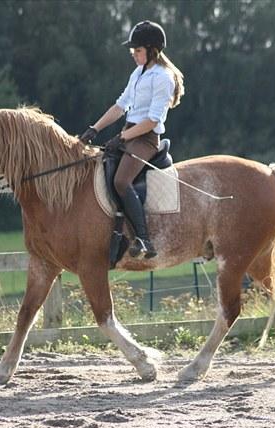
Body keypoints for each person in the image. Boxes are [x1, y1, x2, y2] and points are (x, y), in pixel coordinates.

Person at [79, 20, 185, 259]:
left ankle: (144, 239)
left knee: (121, 181)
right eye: (133, 50)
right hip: (129, 134)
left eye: (137, 50)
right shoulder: (139, 72)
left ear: (152, 50)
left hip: (145, 139)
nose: (134, 54)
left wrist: (121, 137)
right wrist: (94, 129)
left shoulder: (163, 78)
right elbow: (120, 106)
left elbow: (152, 121)